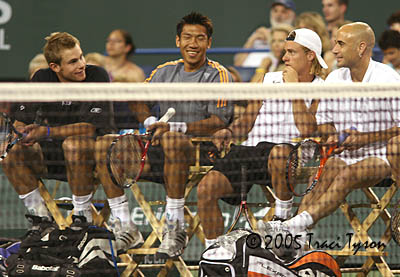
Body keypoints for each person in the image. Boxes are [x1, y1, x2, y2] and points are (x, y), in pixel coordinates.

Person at [94, 11, 233, 259]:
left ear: (208, 43)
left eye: (200, 38)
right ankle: (125, 224)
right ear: (178, 41)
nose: (193, 44)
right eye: (187, 37)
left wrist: (176, 127)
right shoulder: (164, 71)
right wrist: (149, 120)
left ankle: (174, 225)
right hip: (159, 153)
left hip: (201, 154)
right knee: (105, 144)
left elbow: (219, 120)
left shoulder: (219, 74)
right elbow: (137, 100)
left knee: (171, 139)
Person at [259, 22, 400, 259]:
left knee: (345, 174)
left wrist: (365, 139)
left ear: (361, 47)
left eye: (341, 44)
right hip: (345, 153)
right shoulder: (335, 78)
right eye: (334, 43)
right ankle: (298, 241)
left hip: (382, 154)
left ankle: (292, 226)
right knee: (327, 170)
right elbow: (324, 122)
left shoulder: (388, 78)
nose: (334, 50)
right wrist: (330, 134)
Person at [197, 28, 328, 259]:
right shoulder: (268, 79)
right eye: (285, 52)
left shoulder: (322, 87)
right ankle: (214, 254)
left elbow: (308, 130)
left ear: (310, 56)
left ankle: (282, 221)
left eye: (291, 52)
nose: (284, 57)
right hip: (251, 151)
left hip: (290, 155)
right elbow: (247, 121)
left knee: (278, 154)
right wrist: (229, 130)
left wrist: (295, 89)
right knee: (206, 189)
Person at [1, 32, 113, 224]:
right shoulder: (42, 78)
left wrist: (46, 132)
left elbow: (90, 129)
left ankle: (81, 217)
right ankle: (40, 219)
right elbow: (21, 119)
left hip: (92, 157)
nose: (81, 64)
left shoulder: (97, 76)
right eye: (73, 62)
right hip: (53, 155)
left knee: (73, 145)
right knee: (10, 155)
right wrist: (18, 135)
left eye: (81, 57)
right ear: (55, 67)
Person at [234, 0, 296, 67]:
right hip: (247, 72)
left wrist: (269, 37)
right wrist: (251, 39)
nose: (278, 15)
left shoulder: (294, 34)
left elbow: (283, 58)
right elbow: (237, 63)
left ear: (292, 15)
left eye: (283, 12)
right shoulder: (260, 32)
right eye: (275, 11)